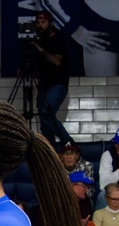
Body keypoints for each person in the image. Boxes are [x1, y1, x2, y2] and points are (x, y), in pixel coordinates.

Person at [32, 11, 74, 149]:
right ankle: (50, 152)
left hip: (57, 83)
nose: (40, 25)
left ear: (51, 24)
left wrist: (40, 50)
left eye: (43, 22)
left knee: (46, 113)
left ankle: (69, 145)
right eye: (38, 22)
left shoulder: (58, 39)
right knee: (44, 122)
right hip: (44, 85)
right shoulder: (40, 41)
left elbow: (56, 61)